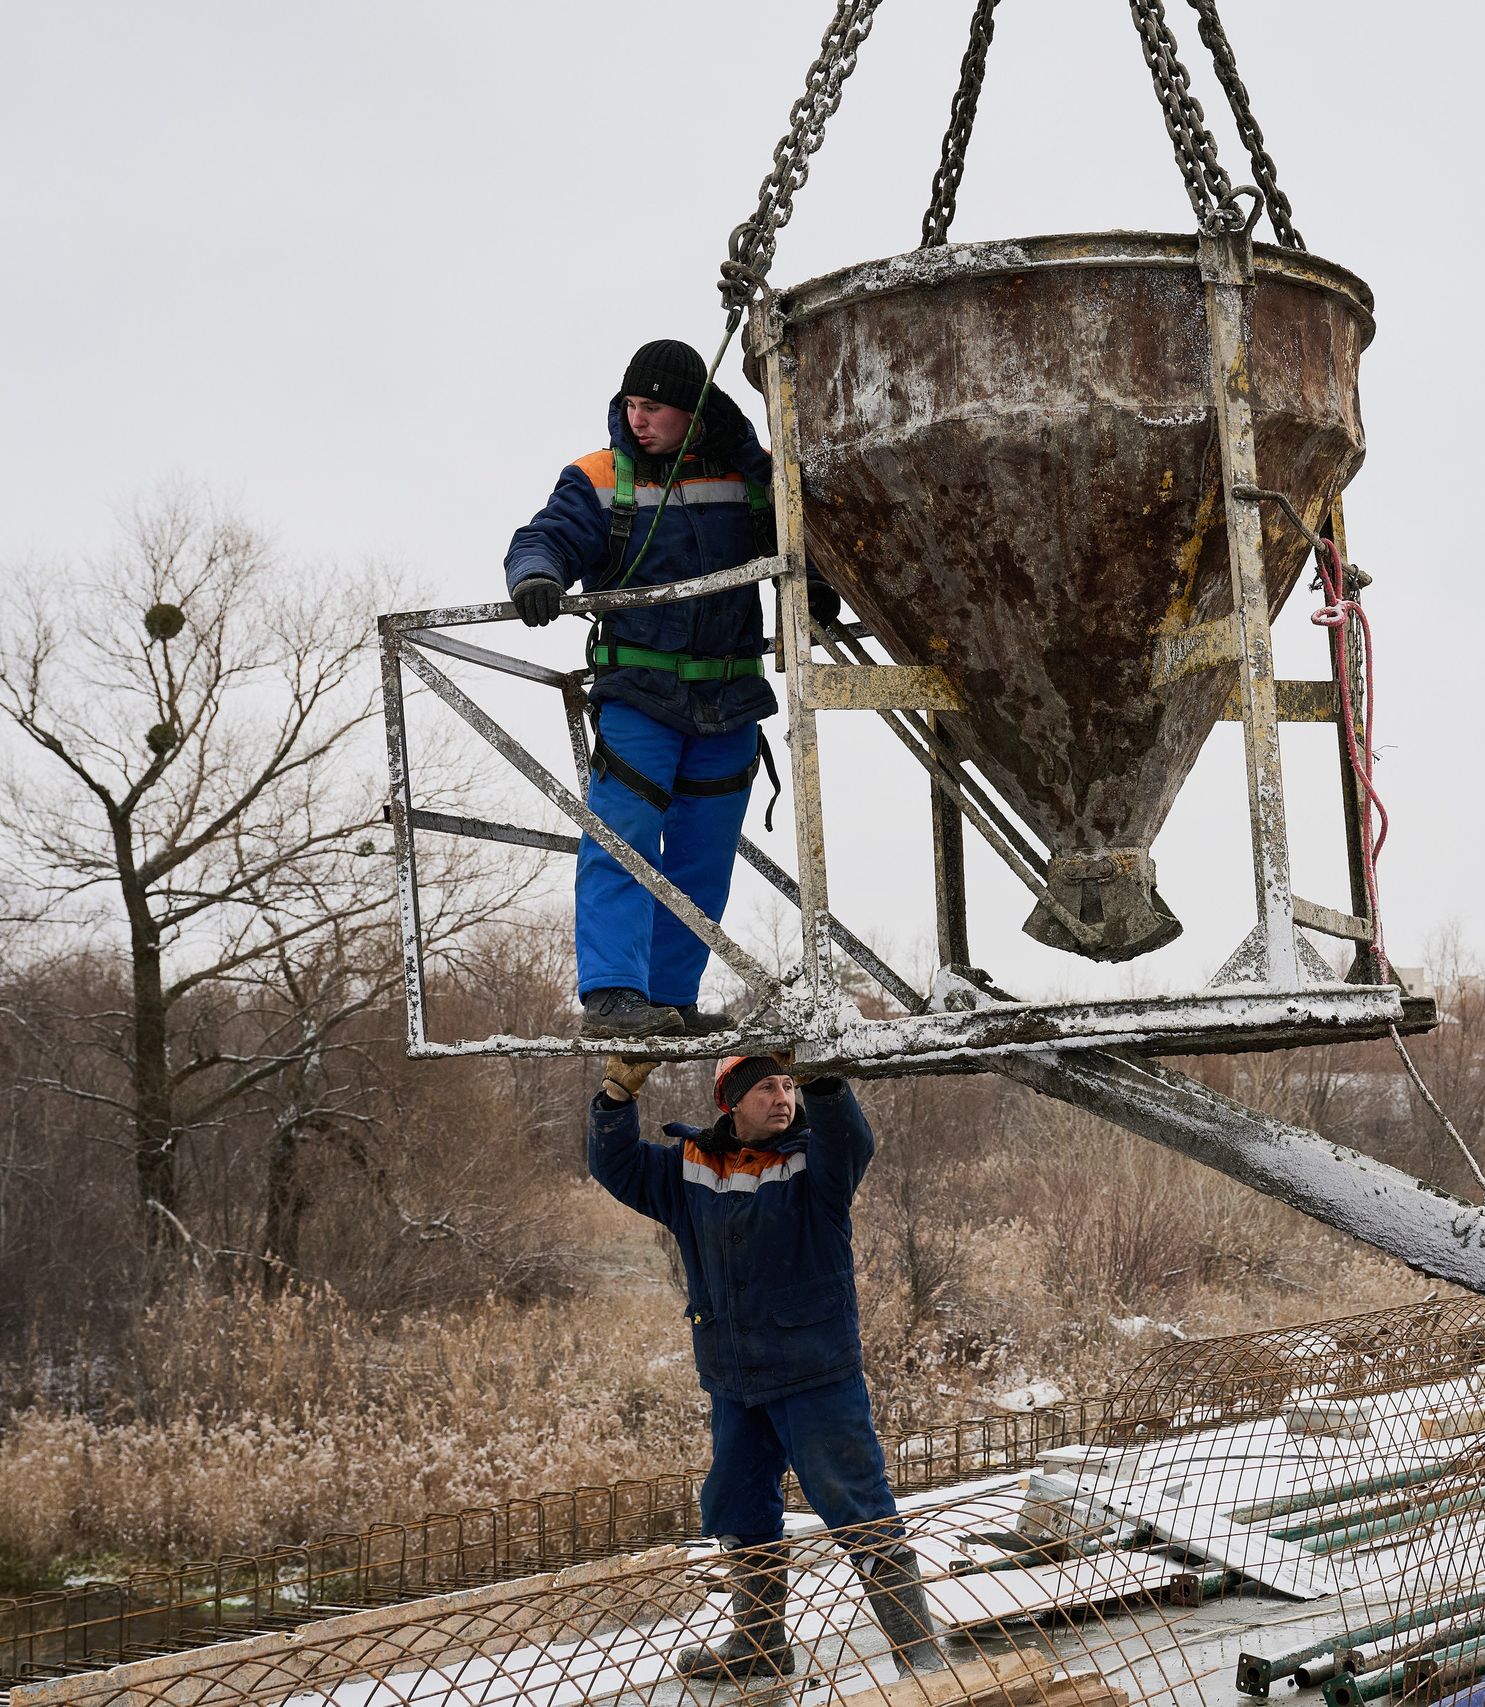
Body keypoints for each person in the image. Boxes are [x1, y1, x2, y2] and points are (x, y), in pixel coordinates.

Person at [503, 339, 839, 1041]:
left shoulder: (749, 474)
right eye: (630, 405)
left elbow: (804, 532)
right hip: (640, 697)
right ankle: (613, 995)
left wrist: (820, 586)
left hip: (729, 702)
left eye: (653, 407)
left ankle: (669, 997)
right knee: (621, 844)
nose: (637, 419)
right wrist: (536, 575)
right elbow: (545, 537)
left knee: (703, 859)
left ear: (692, 412)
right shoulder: (600, 476)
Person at [588, 1053, 946, 1680]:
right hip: (735, 1379)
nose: (783, 1097)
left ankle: (919, 1654)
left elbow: (852, 1140)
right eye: (766, 1088)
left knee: (856, 1502)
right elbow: (614, 1165)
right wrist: (617, 1097)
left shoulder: (816, 1164)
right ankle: (760, 1648)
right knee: (738, 1502)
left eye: (788, 1085)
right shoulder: (689, 1168)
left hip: (815, 1373)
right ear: (730, 1102)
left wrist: (823, 1077)